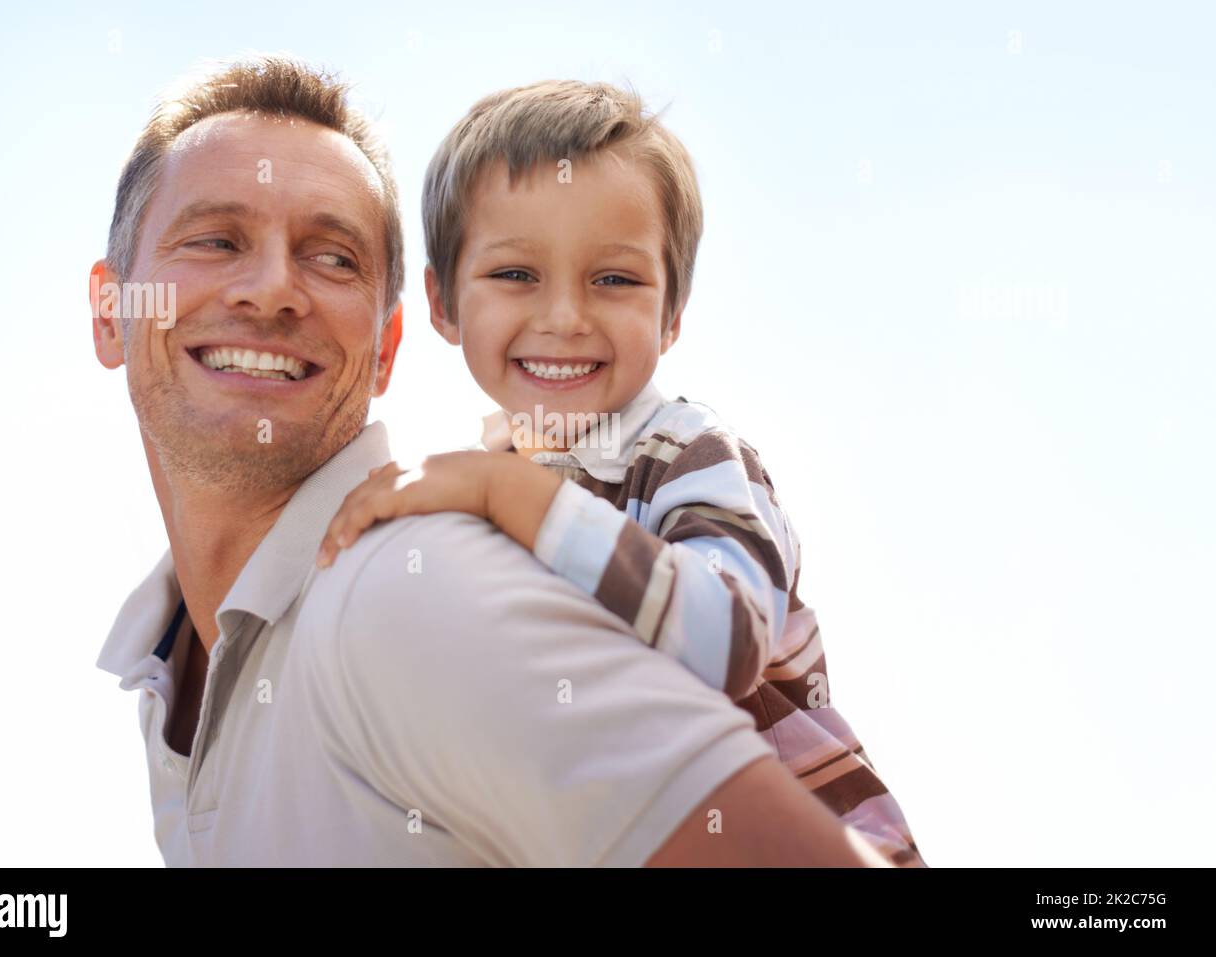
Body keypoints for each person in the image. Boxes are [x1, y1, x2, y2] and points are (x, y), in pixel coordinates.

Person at [92, 54, 895, 867]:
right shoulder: (172, 678)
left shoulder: (421, 574)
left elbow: (735, 661)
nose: (270, 291)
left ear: (386, 345)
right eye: (215, 239)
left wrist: (503, 492)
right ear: (108, 313)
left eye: (332, 256)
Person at [316, 81, 926, 866]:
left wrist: (508, 493)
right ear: (441, 302)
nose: (565, 316)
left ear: (672, 312)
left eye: (614, 279)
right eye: (515, 275)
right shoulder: (493, 487)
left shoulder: (687, 453)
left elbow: (728, 639)